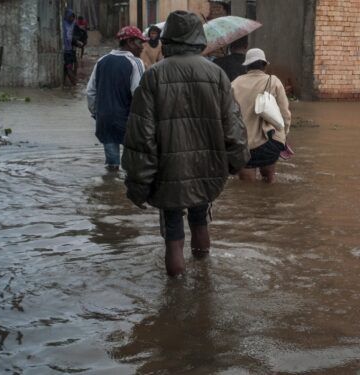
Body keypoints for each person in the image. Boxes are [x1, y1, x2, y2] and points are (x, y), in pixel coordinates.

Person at [122, 10, 249, 277]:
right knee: (200, 219)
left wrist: (138, 183)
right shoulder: (216, 75)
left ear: (167, 39)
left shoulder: (153, 77)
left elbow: (140, 137)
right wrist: (235, 163)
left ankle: (175, 301)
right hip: (207, 168)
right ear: (198, 39)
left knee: (172, 231)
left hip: (169, 171)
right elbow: (234, 126)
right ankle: (204, 285)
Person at [86, 26, 147, 172]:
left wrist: (96, 114)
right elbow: (139, 94)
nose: (142, 48)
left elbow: (90, 92)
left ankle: (109, 187)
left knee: (112, 166)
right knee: (134, 165)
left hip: (105, 120)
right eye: (140, 43)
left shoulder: (102, 61)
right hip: (127, 120)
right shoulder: (135, 62)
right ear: (131, 42)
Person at [231, 48, 291, 183]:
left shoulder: (235, 84)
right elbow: (285, 114)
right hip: (270, 142)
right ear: (264, 65)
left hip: (244, 144)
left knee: (246, 188)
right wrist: (285, 135)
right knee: (268, 181)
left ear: (247, 66)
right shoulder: (274, 81)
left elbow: (227, 115)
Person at [62, 9, 80, 86]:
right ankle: (74, 84)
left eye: (73, 17)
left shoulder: (73, 24)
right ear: (67, 16)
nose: (72, 18)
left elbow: (72, 36)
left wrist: (76, 42)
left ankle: (65, 83)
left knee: (70, 67)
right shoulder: (63, 24)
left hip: (71, 49)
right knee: (68, 67)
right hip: (65, 50)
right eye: (70, 17)